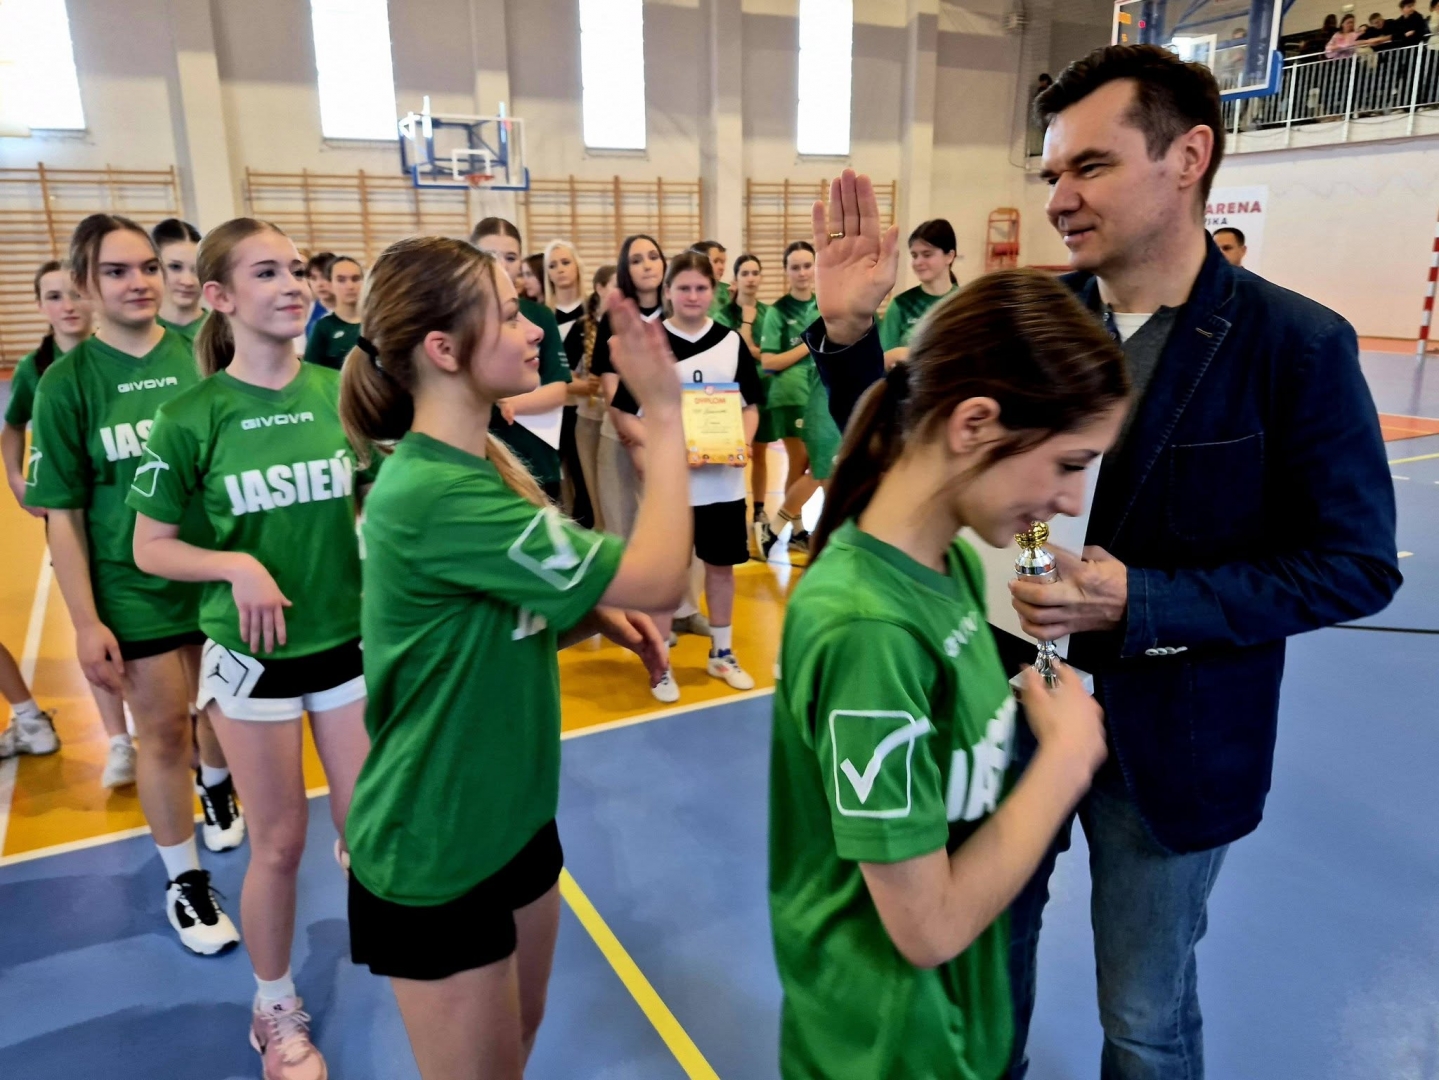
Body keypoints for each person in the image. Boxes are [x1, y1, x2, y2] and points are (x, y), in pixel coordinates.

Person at [804, 46, 1404, 1079]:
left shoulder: (1292, 345)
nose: (1058, 198)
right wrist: (850, 333)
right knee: (987, 975)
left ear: (1188, 157)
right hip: (1003, 712)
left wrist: (1144, 601)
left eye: (1089, 166)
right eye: (1051, 173)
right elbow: (915, 452)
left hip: (1171, 743)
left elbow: (1353, 564)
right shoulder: (1028, 320)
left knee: (1142, 1015)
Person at [339, 235, 687, 1080]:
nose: (532, 328)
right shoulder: (431, 491)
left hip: (514, 818)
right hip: (436, 845)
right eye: (506, 313)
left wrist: (586, 617)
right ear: (443, 349)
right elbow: (658, 577)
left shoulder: (481, 466)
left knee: (517, 1045)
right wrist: (666, 417)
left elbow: (478, 628)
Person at [770, 267, 1126, 1080]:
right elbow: (924, 926)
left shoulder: (951, 568)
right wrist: (1067, 757)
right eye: (1067, 464)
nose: (1074, 500)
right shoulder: (868, 630)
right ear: (973, 423)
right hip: (881, 1052)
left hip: (954, 1027)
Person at [129, 217, 370, 1080]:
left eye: (296, 269)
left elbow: (380, 497)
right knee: (278, 842)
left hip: (346, 644)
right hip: (253, 660)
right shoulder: (188, 416)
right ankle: (274, 1009)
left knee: (367, 823)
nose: (293, 284)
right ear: (220, 298)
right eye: (266, 272)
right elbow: (150, 546)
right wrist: (235, 565)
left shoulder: (341, 391)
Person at [26, 213, 245, 955]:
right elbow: (63, 516)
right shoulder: (66, 385)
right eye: (116, 271)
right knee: (163, 732)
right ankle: (184, 882)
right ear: (85, 284)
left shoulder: (201, 355)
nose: (139, 282)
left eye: (148, 267)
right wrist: (87, 622)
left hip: (209, 576)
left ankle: (217, 786)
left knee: (218, 709)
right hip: (132, 588)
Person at [1, 260, 136, 786]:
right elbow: (12, 426)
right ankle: (119, 740)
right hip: (74, 519)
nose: (67, 305)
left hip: (135, 515)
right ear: (40, 307)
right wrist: (16, 478)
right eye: (54, 297)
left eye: (74, 293)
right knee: (93, 625)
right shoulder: (37, 370)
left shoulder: (126, 357)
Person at [611, 251, 763, 700]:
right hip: (673, 491)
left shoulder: (731, 343)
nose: (693, 296)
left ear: (714, 291)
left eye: (701, 288)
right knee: (668, 577)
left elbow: (751, 407)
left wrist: (741, 444)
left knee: (721, 569)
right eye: (684, 288)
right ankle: (660, 664)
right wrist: (667, 447)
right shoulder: (652, 343)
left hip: (722, 484)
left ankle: (722, 653)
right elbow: (624, 415)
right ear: (668, 292)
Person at [470, 218, 573, 503]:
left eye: (511, 257)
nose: (501, 265)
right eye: (490, 256)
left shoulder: (540, 316)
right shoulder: (463, 318)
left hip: (535, 457)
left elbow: (557, 388)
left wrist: (509, 404)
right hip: (479, 456)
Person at [755, 242, 821, 559]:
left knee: (808, 464)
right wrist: (807, 346)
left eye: (807, 265)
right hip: (790, 395)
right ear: (786, 272)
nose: (802, 272)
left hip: (819, 397)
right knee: (809, 461)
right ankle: (784, 528)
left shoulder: (824, 306)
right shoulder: (778, 312)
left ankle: (793, 530)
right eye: (795, 267)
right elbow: (768, 362)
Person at [546, 240, 602, 528]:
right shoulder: (542, 315)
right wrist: (569, 383)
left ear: (578, 266)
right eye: (553, 265)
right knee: (555, 482)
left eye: (565, 262)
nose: (560, 269)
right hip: (550, 410)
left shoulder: (592, 314)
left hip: (585, 411)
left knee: (586, 479)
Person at [713, 255, 770, 525]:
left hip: (761, 392)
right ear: (735, 279)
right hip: (729, 396)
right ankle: (730, 508)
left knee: (760, 454)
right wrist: (747, 324)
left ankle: (759, 509)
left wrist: (758, 353)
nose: (750, 278)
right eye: (744, 273)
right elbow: (736, 352)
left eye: (755, 272)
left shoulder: (769, 313)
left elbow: (770, 356)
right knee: (731, 456)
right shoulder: (723, 315)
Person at [880, 218, 960, 367]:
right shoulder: (901, 305)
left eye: (927, 254)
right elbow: (880, 362)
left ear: (949, 256)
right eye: (914, 255)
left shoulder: (966, 302)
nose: (917, 262)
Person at [153, 219, 207, 345]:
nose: (188, 281)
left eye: (196, 269)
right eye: (175, 267)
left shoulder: (226, 331)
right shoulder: (136, 331)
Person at [303, 256, 363, 369]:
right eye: (341, 280)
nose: (350, 286)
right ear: (331, 285)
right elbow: (311, 371)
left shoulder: (376, 324)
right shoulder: (323, 327)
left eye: (355, 279)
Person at [691, 240, 730, 313]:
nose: (721, 267)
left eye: (723, 262)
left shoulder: (729, 291)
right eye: (715, 261)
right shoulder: (689, 292)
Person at [304, 252, 336, 340]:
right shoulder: (306, 311)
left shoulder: (357, 312)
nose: (319, 284)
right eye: (314, 278)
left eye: (325, 277)